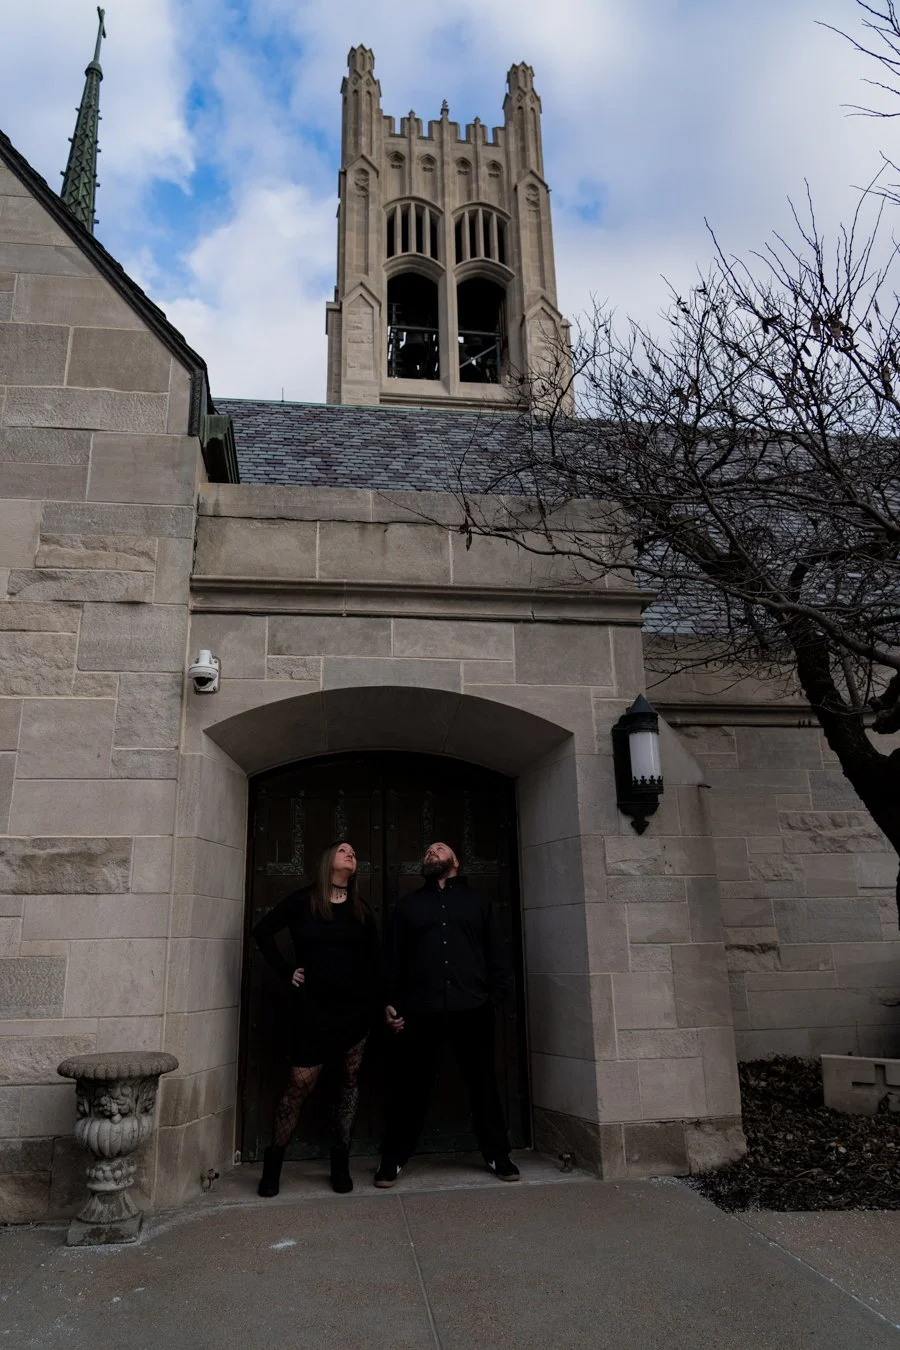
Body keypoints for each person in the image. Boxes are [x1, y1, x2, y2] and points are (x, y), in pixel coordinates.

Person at [374, 841, 519, 1188]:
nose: (431, 852)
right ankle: (392, 1160)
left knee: (483, 1085)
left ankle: (499, 1155)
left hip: (472, 1010)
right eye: (426, 851)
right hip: (421, 1012)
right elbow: (393, 961)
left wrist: (492, 1000)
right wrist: (391, 1002)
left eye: (439, 849)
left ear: (455, 861)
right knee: (410, 1088)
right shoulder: (408, 907)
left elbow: (497, 956)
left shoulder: (479, 903)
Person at [252, 840, 380, 1197]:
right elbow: (262, 931)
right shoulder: (302, 901)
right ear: (328, 861)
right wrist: (286, 970)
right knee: (298, 1086)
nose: (351, 853)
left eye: (355, 851)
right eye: (343, 850)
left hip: (354, 1011)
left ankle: (340, 1162)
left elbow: (375, 962)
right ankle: (274, 1162)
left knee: (349, 1086)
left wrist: (378, 1005)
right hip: (313, 1009)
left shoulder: (361, 909)